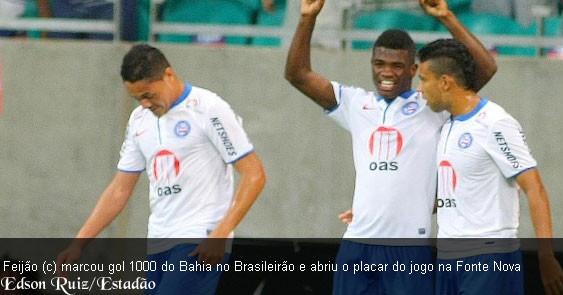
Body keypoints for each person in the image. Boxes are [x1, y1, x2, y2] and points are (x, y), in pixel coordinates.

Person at [285, 0, 496, 293]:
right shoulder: (355, 103)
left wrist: (447, 17)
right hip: (357, 245)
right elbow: (298, 75)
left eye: (397, 66)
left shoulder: (431, 104)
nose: (387, 72)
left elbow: (486, 68)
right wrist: (308, 18)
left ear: (413, 69)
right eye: (379, 64)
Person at [57, 44, 266, 294]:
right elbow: (119, 190)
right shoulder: (139, 120)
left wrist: (221, 233)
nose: (145, 104)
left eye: (149, 95)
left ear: (168, 75)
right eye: (137, 98)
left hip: (199, 239)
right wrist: (79, 244)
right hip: (158, 241)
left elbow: (254, 175)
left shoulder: (209, 108)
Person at [417, 38, 563, 295]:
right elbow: (450, 196)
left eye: (423, 79)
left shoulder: (495, 123)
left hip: (489, 259)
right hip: (448, 260)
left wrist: (546, 256)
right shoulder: (448, 125)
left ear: (445, 82)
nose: (419, 89)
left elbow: (535, 188)